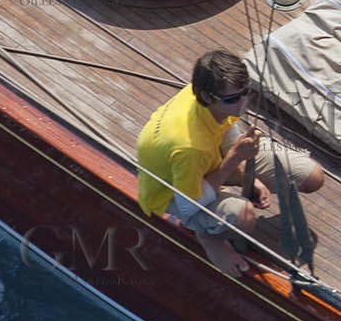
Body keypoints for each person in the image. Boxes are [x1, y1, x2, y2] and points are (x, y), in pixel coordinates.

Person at [136, 50, 324, 276]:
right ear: (206, 97)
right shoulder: (189, 147)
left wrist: (249, 176)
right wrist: (235, 158)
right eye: (234, 98)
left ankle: (221, 199)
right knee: (243, 216)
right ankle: (208, 235)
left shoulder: (211, 100)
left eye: (247, 92)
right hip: (176, 192)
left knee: (312, 177)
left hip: (208, 159)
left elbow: (225, 128)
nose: (243, 102)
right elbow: (188, 205)